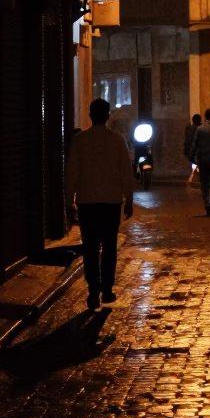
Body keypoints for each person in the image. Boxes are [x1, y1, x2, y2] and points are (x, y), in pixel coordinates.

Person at [65, 97, 134, 310]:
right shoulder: (117, 140)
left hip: (87, 204)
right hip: (111, 203)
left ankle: (93, 291)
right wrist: (128, 199)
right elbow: (126, 171)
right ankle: (106, 290)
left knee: (91, 248)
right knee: (109, 247)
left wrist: (69, 203)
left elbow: (71, 174)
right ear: (108, 116)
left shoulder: (80, 141)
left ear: (90, 115)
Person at [184, 113, 202, 185]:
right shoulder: (201, 129)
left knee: (194, 165)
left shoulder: (189, 129)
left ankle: (193, 179)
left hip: (192, 152)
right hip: (199, 152)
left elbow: (187, 141)